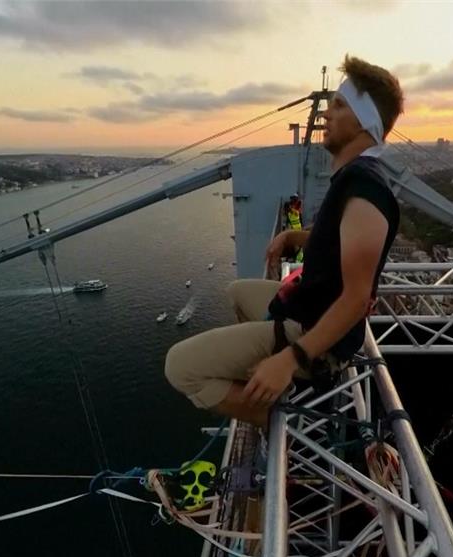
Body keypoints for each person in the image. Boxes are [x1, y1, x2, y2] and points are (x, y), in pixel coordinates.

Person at [165, 55, 404, 427]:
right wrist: (294, 236)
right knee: (236, 291)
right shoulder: (352, 182)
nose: (326, 114)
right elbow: (337, 243)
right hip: (308, 308)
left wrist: (288, 359)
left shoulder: (364, 191)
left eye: (339, 106)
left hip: (314, 335)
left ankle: (269, 413)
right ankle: (258, 373)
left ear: (363, 122)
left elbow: (357, 299)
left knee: (180, 367)